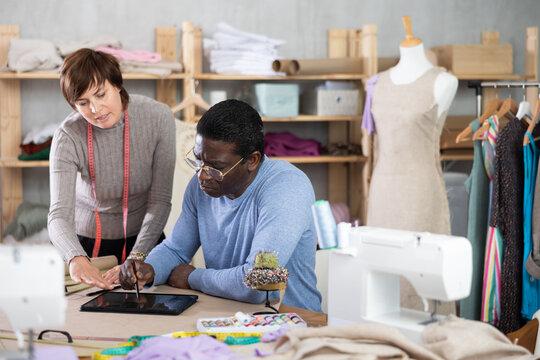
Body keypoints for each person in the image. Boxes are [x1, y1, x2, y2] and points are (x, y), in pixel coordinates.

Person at [119, 99, 322, 312]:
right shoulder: (202, 187)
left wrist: (193, 277)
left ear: (252, 160)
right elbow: (176, 250)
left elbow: (259, 283)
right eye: (199, 161)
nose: (203, 175)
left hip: (292, 323)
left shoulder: (287, 188)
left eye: (216, 167)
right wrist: (148, 269)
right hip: (229, 316)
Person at [48, 48, 176, 290]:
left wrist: (137, 257)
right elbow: (58, 214)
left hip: (146, 239)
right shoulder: (67, 135)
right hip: (87, 247)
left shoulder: (159, 117)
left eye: (100, 94)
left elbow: (160, 200)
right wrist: (75, 257)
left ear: (117, 84)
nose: (95, 110)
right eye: (83, 102)